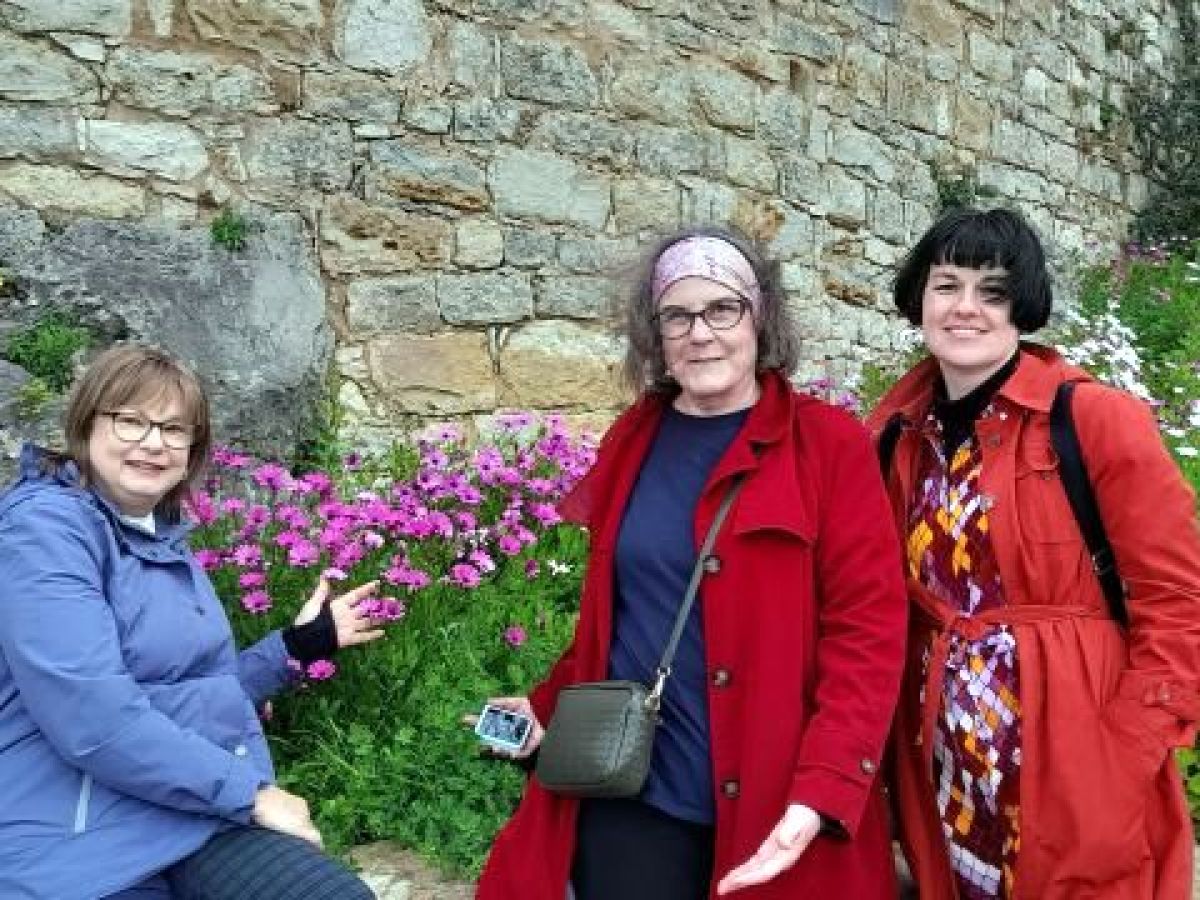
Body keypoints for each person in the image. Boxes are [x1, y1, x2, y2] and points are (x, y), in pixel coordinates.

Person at [475, 227, 909, 900]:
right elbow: (616, 620)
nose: (699, 333)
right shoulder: (634, 439)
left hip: (776, 798)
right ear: (656, 333)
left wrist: (824, 788)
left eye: (721, 309)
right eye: (677, 315)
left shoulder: (829, 447)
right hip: (638, 795)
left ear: (760, 315)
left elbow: (868, 636)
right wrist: (543, 709)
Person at [869, 207, 1200, 900]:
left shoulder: (1092, 420)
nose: (966, 308)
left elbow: (1179, 598)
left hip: (1070, 741)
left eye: (992, 291)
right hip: (945, 753)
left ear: (1023, 306)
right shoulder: (895, 433)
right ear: (917, 298)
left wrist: (1129, 747)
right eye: (946, 285)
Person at [0, 344, 384, 900]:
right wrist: (251, 795)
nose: (153, 442)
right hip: (78, 832)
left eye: (175, 429)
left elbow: (188, 690)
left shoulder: (160, 537)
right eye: (131, 421)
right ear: (86, 424)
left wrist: (300, 646)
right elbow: (92, 715)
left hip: (188, 811)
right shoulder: (44, 532)